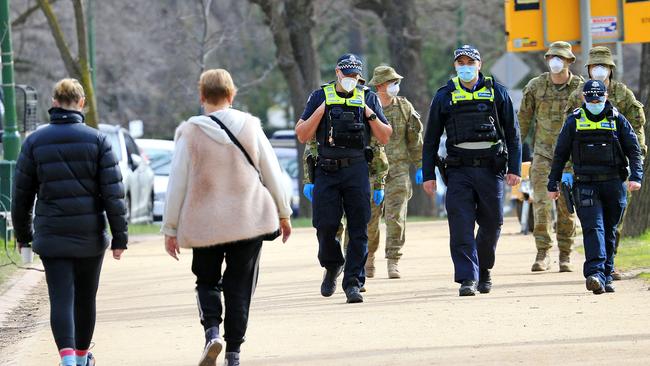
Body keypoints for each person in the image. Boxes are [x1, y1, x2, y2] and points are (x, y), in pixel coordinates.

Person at [161, 69, 292, 366]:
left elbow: (177, 182)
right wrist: (283, 213)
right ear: (232, 95)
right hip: (248, 220)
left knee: (206, 281)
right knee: (240, 286)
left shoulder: (190, 132)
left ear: (201, 96)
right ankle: (234, 352)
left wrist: (170, 227)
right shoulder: (250, 126)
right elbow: (271, 171)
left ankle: (212, 332)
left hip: (204, 222)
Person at [11, 78, 128, 366]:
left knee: (61, 298)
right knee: (86, 298)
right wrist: (119, 237)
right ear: (81, 104)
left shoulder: (35, 141)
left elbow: (21, 195)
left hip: (52, 235)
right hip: (89, 235)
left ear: (54, 102)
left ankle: (67, 360)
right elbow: (113, 194)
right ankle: (81, 356)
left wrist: (24, 235)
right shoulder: (98, 140)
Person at [422, 45, 522, 296]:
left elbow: (513, 134)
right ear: (455, 66)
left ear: (480, 64)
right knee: (460, 225)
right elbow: (431, 138)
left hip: (491, 169)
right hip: (459, 170)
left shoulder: (497, 92)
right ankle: (467, 278)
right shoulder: (444, 95)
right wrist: (428, 175)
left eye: (470, 62)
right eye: (460, 62)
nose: (465, 66)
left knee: (493, 223)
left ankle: (484, 270)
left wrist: (515, 168)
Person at [295, 53, 393, 303]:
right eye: (346, 74)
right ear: (337, 72)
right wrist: (322, 110)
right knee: (325, 226)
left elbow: (384, 136)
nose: (350, 79)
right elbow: (302, 134)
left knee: (359, 227)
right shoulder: (320, 95)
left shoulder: (368, 96)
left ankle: (353, 283)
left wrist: (368, 112)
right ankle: (332, 265)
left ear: (359, 76)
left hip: (357, 168)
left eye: (354, 75)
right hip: (326, 169)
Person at [547, 80, 643, 294]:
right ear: (584, 98)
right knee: (594, 228)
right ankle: (595, 274)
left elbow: (633, 150)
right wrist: (553, 182)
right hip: (585, 184)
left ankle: (606, 274)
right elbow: (560, 154)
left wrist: (636, 176)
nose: (595, 101)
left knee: (609, 230)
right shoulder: (574, 121)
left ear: (606, 96)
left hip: (613, 183)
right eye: (591, 98)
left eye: (598, 97)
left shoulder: (617, 119)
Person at [564, 46, 647, 280]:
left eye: (603, 66)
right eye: (594, 66)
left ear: (611, 69)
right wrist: (568, 170)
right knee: (594, 223)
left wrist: (636, 163)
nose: (598, 70)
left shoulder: (623, 94)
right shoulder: (578, 96)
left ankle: (609, 265)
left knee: (613, 223)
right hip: (586, 171)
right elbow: (569, 137)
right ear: (588, 70)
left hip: (617, 170)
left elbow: (636, 130)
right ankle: (600, 269)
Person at [518, 41, 584, 272]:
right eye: (551, 57)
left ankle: (565, 254)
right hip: (543, 155)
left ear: (569, 61)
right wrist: (515, 153)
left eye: (560, 58)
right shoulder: (536, 86)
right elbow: (523, 120)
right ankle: (542, 252)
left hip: (570, 159)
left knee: (567, 207)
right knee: (542, 204)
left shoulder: (580, 88)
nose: (555, 62)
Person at [302, 134, 389, 288]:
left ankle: (354, 276)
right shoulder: (323, 110)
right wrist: (309, 179)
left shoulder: (363, 109)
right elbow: (311, 145)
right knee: (330, 227)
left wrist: (379, 182)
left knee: (357, 229)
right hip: (328, 173)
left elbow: (377, 145)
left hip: (360, 174)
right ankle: (333, 266)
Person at [367, 65, 423, 279]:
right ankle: (368, 257)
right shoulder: (366, 106)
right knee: (369, 220)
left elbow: (415, 139)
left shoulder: (404, 107)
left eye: (397, 82)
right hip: (371, 171)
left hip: (398, 170)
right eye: (392, 83)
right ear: (380, 85)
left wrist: (420, 165)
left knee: (396, 217)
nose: (396, 86)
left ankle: (393, 260)